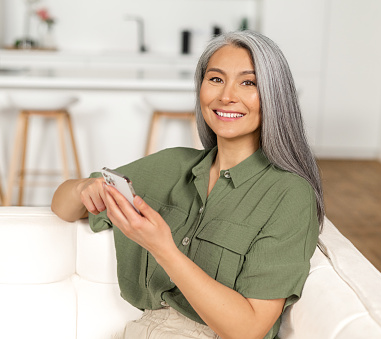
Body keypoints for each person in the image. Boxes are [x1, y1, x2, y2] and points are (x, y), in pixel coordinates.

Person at [51, 30, 324, 339]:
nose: (226, 96)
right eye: (216, 79)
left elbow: (248, 329)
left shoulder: (289, 195)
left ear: (275, 96)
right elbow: (61, 206)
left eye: (248, 83)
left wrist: (161, 247)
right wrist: (84, 190)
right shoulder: (172, 166)